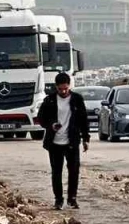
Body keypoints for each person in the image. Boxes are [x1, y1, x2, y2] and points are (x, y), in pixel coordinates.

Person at [35, 72, 89, 210]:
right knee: (56, 172)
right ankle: (58, 199)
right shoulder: (49, 100)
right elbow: (41, 118)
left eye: (66, 88)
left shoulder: (77, 99)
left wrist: (85, 138)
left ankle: (72, 198)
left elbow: (83, 120)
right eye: (60, 89)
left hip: (71, 141)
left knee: (74, 171)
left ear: (69, 86)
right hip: (54, 143)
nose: (63, 91)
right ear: (56, 87)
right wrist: (51, 125)